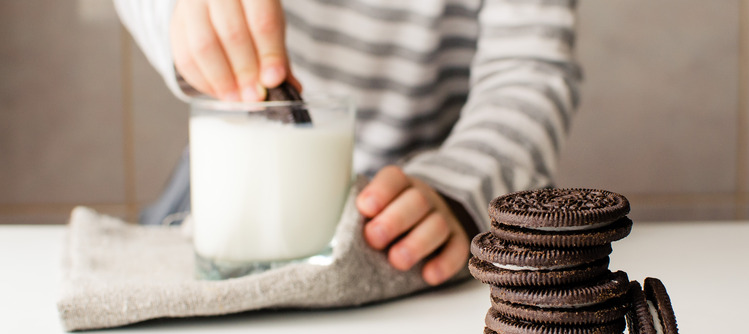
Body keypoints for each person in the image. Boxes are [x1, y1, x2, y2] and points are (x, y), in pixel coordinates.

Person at [113, 0, 581, 287]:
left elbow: (529, 71)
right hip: (225, 191)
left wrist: (462, 185)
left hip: (427, 204)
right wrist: (181, 13)